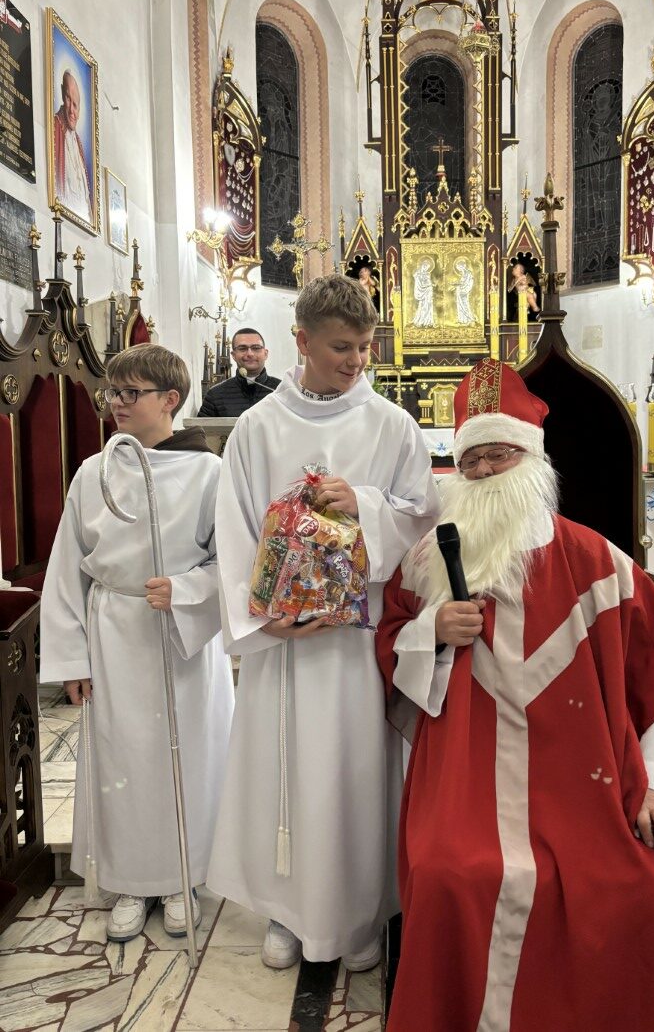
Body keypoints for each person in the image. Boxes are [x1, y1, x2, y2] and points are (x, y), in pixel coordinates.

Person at [376, 358, 654, 1032]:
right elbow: (388, 648)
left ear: (532, 461)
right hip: (465, 790)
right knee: (451, 877)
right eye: (470, 460)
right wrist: (431, 632)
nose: (482, 472)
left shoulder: (600, 565)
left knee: (649, 893)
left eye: (498, 455)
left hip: (591, 793)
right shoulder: (427, 565)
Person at [207, 273, 439, 972]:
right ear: (301, 341)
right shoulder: (257, 428)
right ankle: (288, 910)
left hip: (356, 641)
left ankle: (359, 911)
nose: (357, 360)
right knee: (284, 770)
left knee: (354, 773)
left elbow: (422, 518)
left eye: (366, 347)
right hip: (285, 641)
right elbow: (234, 528)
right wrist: (262, 619)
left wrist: (363, 501)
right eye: (342, 347)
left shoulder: (391, 425)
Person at [40, 344, 234, 943]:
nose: (117, 404)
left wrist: (185, 589)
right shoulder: (93, 472)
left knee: (188, 754)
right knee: (122, 757)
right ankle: (129, 881)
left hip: (180, 637)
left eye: (131, 393)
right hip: (114, 633)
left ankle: (182, 877)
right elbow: (67, 568)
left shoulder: (208, 473)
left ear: (170, 400)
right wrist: (71, 657)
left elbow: (231, 562)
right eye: (113, 393)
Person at [197, 327, 279, 417]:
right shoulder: (215, 395)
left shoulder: (282, 390)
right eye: (242, 348)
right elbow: (202, 426)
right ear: (233, 355)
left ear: (265, 354)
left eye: (256, 348)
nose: (250, 354)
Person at [53, 70, 92, 220]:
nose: (71, 111)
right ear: (62, 94)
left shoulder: (79, 144)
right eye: (68, 99)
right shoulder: (55, 127)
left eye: (75, 105)